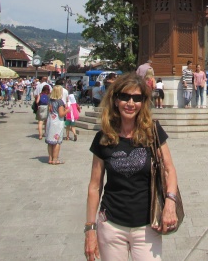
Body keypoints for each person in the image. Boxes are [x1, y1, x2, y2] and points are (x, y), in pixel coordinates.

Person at [84, 73, 179, 261]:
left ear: (143, 102)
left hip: (147, 224)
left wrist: (170, 202)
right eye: (125, 97)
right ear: (116, 100)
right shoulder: (104, 137)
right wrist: (90, 229)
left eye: (137, 98)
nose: (130, 103)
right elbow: (95, 186)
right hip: (111, 223)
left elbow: (169, 170)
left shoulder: (152, 132)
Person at [45, 85, 66, 165]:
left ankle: (50, 158)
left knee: (50, 142)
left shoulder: (50, 100)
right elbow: (61, 114)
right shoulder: (60, 102)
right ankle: (55, 159)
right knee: (57, 141)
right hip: (57, 122)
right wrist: (67, 110)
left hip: (50, 121)